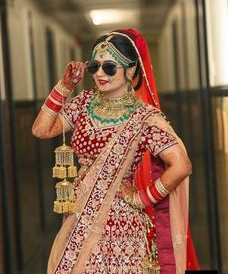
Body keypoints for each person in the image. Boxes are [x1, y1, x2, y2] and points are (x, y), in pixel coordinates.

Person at [32, 28, 199, 274]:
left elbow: (182, 165)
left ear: (130, 70)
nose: (100, 73)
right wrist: (65, 86)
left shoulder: (145, 118)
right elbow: (41, 130)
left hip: (122, 224)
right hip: (80, 214)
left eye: (109, 67)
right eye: (94, 66)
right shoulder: (84, 103)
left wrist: (142, 198)